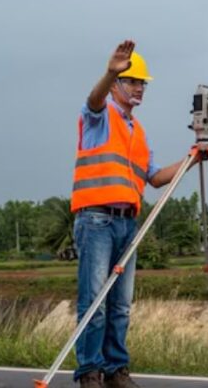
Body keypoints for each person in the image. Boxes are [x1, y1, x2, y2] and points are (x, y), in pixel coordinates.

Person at [70, 40, 188, 388]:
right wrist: (110, 72)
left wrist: (193, 157)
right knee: (95, 302)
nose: (139, 88)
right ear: (118, 84)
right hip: (96, 220)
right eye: (133, 81)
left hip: (127, 222)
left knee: (120, 305)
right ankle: (89, 371)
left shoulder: (138, 131)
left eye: (142, 83)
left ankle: (115, 370)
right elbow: (92, 101)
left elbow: (153, 178)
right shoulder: (99, 116)